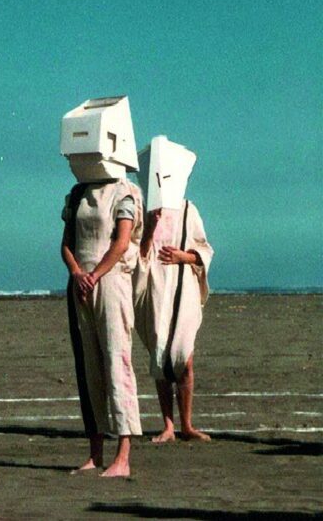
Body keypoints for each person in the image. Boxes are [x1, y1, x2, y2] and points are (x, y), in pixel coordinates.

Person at [61, 178, 144, 477]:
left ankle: (123, 456)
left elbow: (121, 243)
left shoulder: (125, 192)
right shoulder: (77, 194)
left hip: (111, 280)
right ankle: (95, 453)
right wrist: (77, 273)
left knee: (117, 362)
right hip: (81, 283)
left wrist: (95, 275)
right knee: (90, 369)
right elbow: (67, 243)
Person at [134, 203, 214, 443]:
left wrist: (183, 257)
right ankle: (168, 425)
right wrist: (150, 228)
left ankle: (187, 425)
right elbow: (138, 254)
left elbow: (204, 250)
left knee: (184, 356)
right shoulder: (144, 209)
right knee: (160, 353)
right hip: (155, 286)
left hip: (184, 286)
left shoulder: (188, 209)